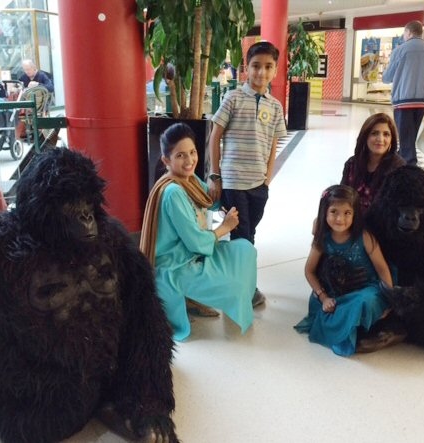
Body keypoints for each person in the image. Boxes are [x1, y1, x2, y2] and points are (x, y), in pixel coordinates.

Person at [140, 122, 257, 341]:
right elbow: (195, 241)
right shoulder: (173, 191)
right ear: (167, 160)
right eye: (180, 156)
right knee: (235, 286)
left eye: (192, 152)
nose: (189, 161)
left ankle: (197, 298)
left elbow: (209, 206)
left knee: (246, 249)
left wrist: (223, 212)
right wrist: (225, 227)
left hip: (198, 251)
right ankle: (188, 297)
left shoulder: (190, 180)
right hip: (177, 264)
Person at [208, 41, 287, 306]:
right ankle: (245, 287)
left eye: (267, 67)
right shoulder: (232, 98)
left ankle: (239, 280)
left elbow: (274, 144)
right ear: (246, 68)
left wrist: (267, 179)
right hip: (233, 182)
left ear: (275, 70)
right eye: (255, 66)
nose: (261, 73)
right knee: (242, 235)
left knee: (249, 233)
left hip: (258, 185)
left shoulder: (275, 106)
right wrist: (215, 174)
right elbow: (215, 135)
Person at [295, 185, 393, 357]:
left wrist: (390, 300)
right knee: (324, 307)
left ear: (355, 214)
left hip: (365, 288)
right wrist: (324, 297)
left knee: (364, 301)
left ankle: (351, 327)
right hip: (334, 290)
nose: (340, 219)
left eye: (347, 213)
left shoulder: (365, 237)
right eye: (334, 212)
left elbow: (383, 270)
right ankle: (351, 326)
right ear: (324, 212)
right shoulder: (322, 238)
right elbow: (309, 271)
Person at [382, 20, 424, 165]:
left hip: (403, 100)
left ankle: (409, 168)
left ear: (408, 32)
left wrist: (384, 75)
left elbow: (388, 77)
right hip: (423, 101)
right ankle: (401, 158)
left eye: (404, 33)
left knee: (405, 139)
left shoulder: (401, 50)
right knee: (409, 138)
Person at [341, 113, 405, 214]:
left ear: (391, 139)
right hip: (353, 221)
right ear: (365, 136)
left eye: (386, 134)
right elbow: (342, 197)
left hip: (382, 225)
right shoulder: (352, 163)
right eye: (374, 133)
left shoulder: (399, 169)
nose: (380, 139)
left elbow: (397, 209)